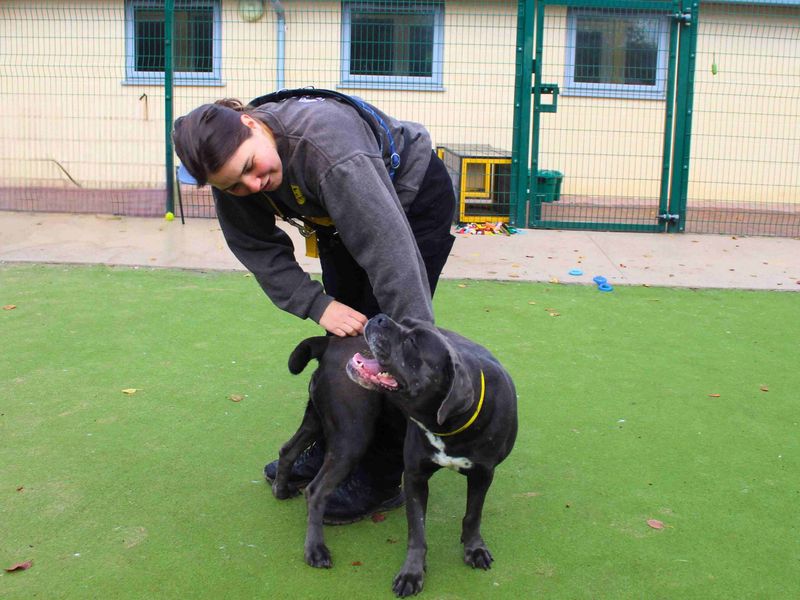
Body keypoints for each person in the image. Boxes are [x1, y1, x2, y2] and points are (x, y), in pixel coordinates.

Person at [173, 90, 455, 524]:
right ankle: (335, 446)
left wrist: (412, 342)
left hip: (411, 202)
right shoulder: (233, 169)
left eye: (250, 168)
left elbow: (388, 249)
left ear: (251, 125)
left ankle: (381, 479)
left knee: (384, 348)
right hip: (335, 216)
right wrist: (317, 304)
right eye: (233, 184)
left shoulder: (327, 148)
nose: (250, 186)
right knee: (343, 339)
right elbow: (255, 247)